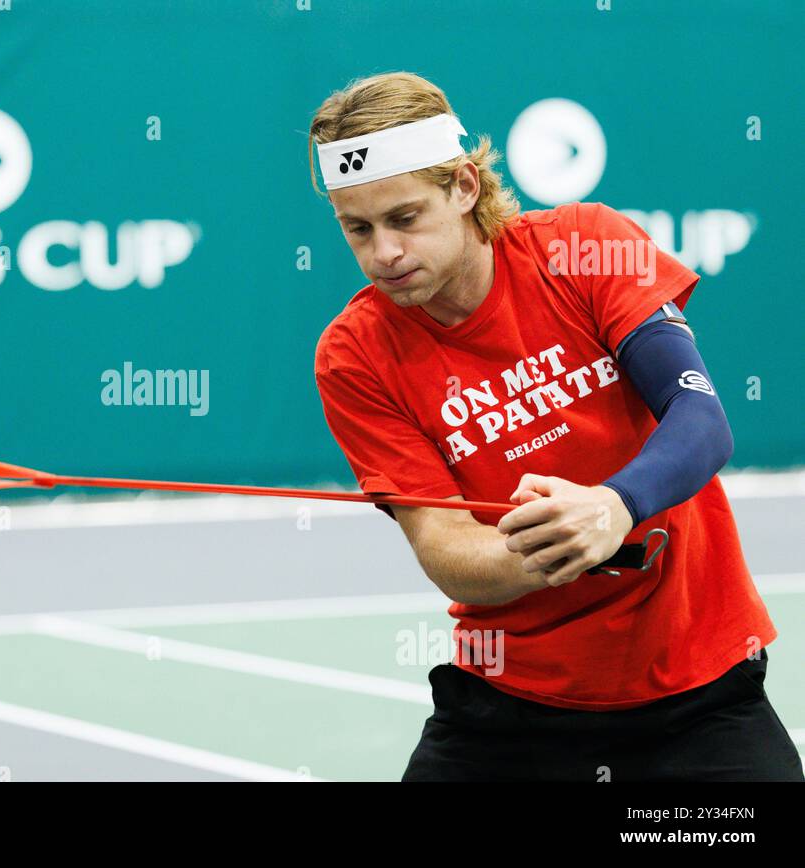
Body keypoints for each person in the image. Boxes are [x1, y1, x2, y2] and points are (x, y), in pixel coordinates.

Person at [308, 71, 801, 781]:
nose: (385, 251)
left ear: (465, 187)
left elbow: (701, 418)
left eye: (405, 218)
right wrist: (553, 545)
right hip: (511, 707)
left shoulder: (583, 246)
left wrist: (612, 507)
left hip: (699, 694)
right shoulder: (354, 354)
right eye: (359, 227)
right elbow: (447, 548)